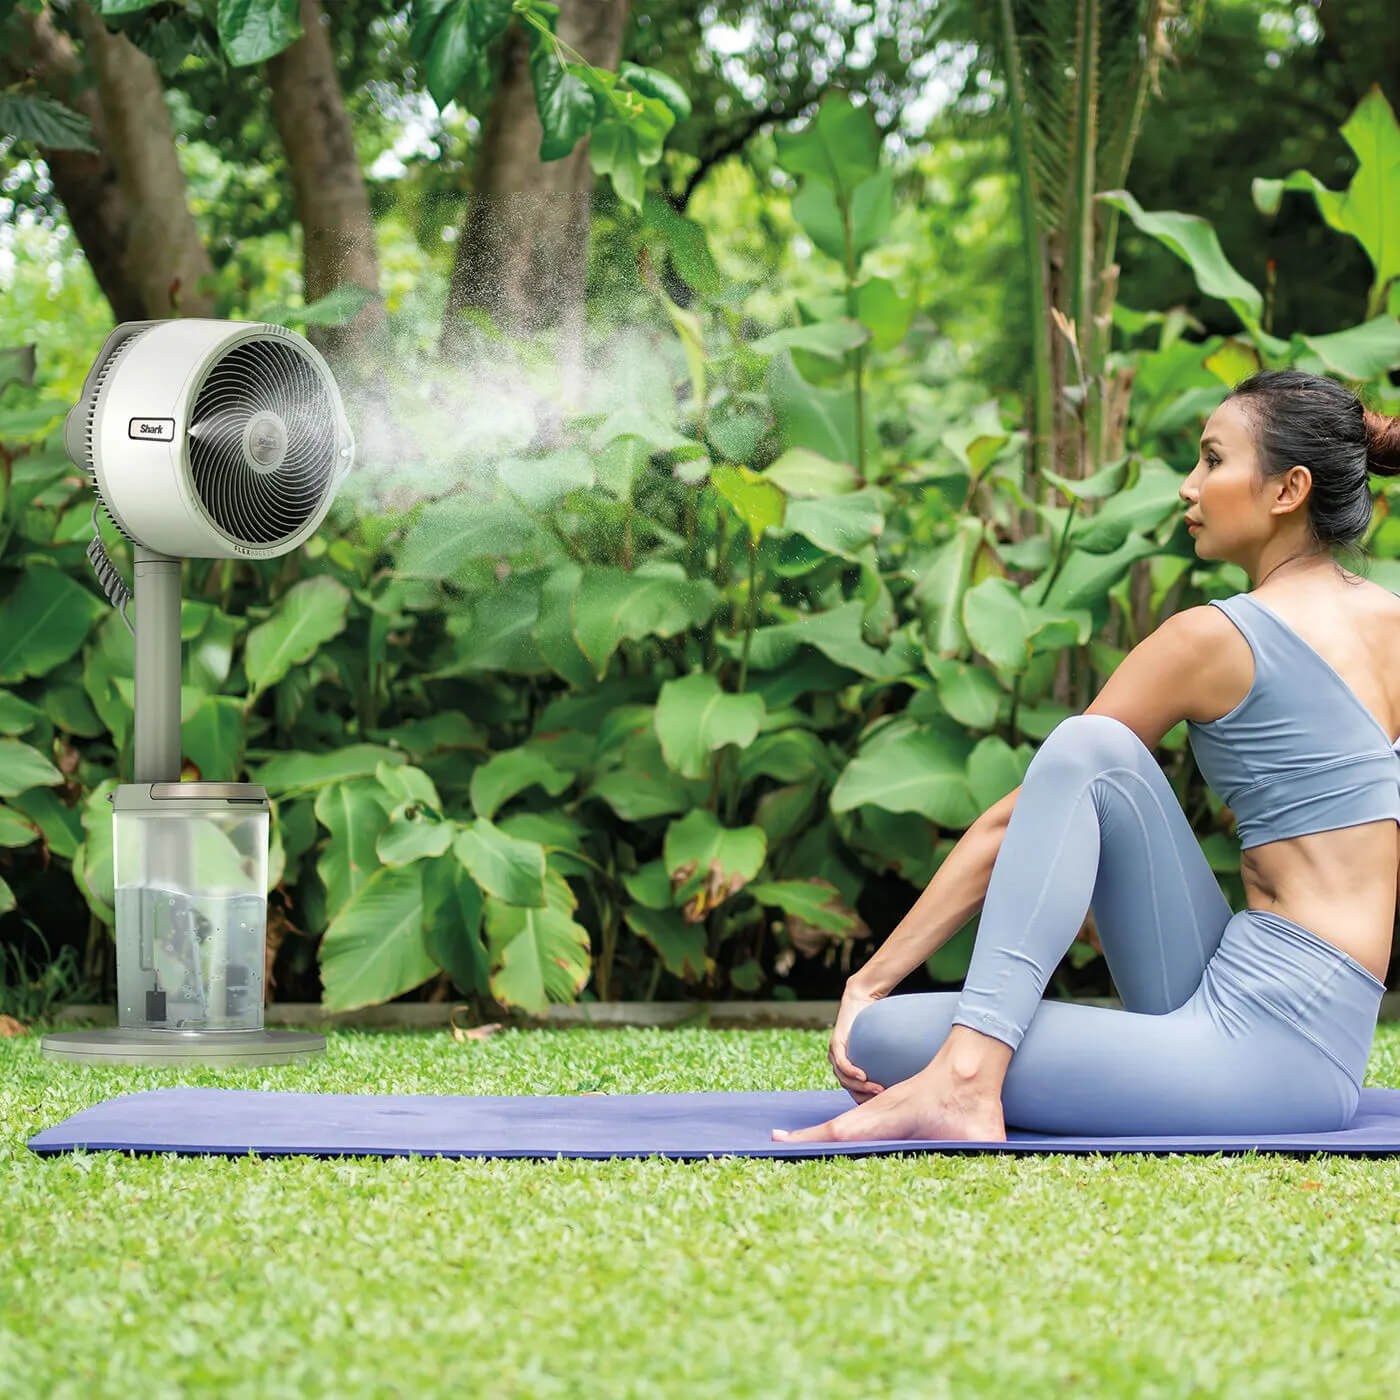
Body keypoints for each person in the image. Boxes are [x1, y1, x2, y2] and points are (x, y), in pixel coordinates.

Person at [773, 368, 1400, 1145]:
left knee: (882, 1039)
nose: (1187, 487)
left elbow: (1018, 818)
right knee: (1099, 754)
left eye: (1211, 460)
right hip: (1311, 1039)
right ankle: (973, 1069)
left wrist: (868, 981)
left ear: (1287, 489)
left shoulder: (1214, 638)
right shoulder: (1390, 621)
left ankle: (967, 1082)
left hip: (1265, 1063)